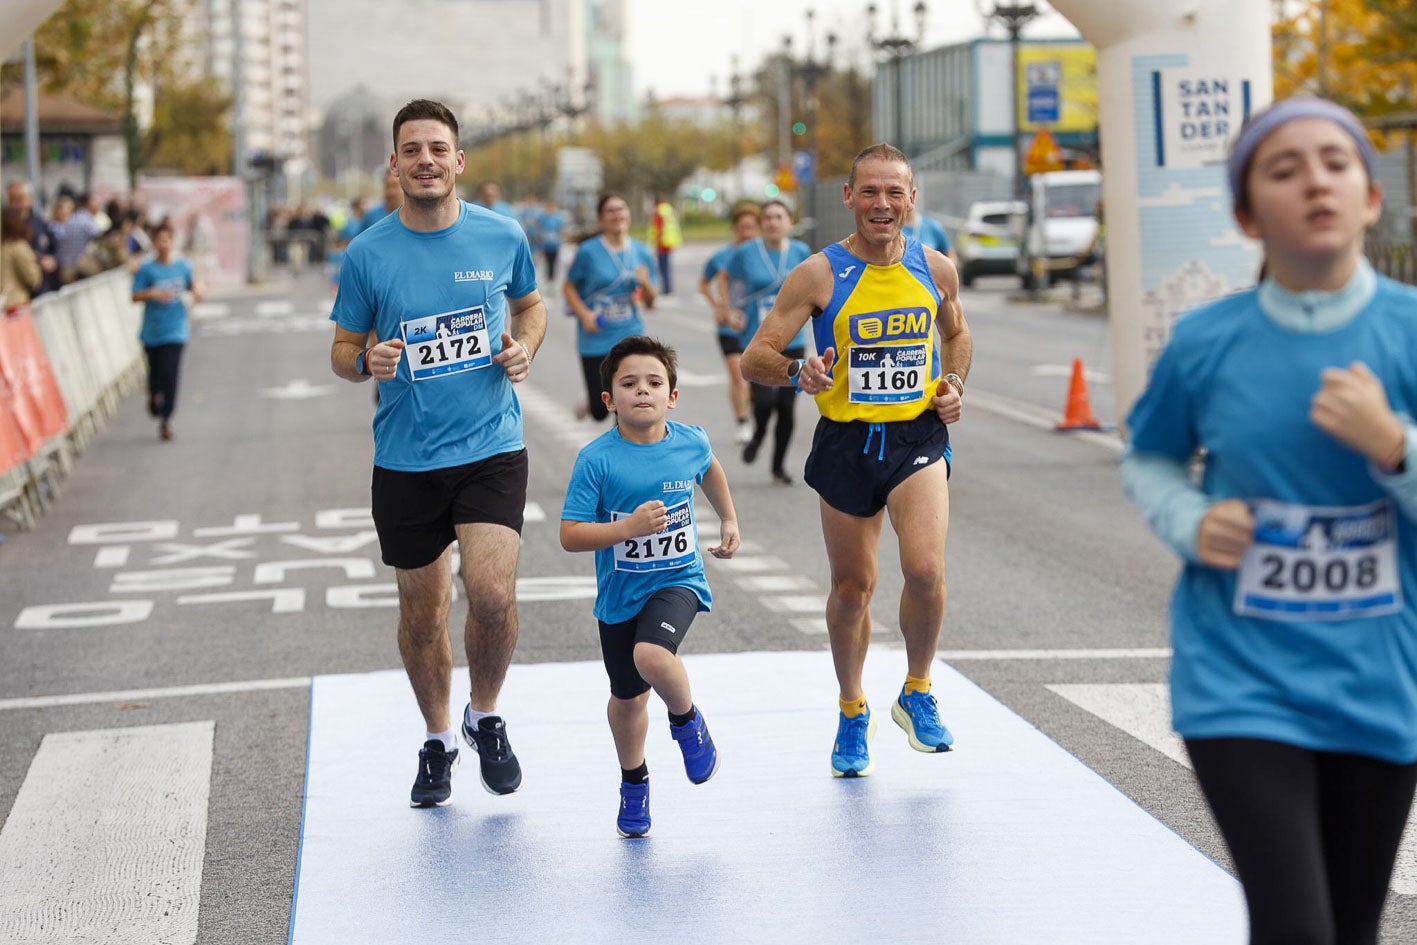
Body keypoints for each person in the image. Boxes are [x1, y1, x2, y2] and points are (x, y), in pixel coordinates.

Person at [1121, 96, 1417, 945]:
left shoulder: (1406, 330)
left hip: (1381, 675)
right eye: (1284, 170)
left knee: (1351, 927)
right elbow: (1147, 455)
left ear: (1368, 195)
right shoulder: (1207, 340)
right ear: (1248, 215)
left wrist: (1392, 445)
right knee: (1295, 926)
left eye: (1335, 162)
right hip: (1239, 679)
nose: (1314, 183)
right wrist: (1190, 517)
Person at [328, 99, 548, 808]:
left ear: (459, 161)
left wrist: (523, 349)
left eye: (438, 148)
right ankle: (436, 737)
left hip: (490, 446)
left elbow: (532, 305)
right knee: (422, 613)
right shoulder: (367, 252)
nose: (425, 159)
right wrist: (369, 359)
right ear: (394, 165)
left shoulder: (501, 234)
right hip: (405, 457)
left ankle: (485, 715)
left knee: (489, 594)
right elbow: (339, 351)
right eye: (411, 149)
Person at [742, 143, 972, 778]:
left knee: (924, 569)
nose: (882, 205)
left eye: (894, 193)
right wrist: (798, 370)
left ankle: (918, 690)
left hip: (915, 438)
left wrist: (953, 385)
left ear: (911, 200)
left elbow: (956, 332)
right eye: (869, 192)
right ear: (848, 198)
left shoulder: (935, 268)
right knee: (853, 588)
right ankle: (852, 708)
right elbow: (755, 356)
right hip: (847, 443)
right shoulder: (819, 274)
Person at [560, 335, 741, 838]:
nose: (643, 391)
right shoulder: (597, 460)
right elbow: (571, 535)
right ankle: (634, 782)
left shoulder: (691, 441)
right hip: (620, 596)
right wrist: (625, 529)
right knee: (628, 699)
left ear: (673, 396)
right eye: (629, 383)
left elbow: (710, 469)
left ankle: (687, 725)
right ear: (608, 400)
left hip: (678, 580)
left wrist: (728, 518)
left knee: (653, 657)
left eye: (655, 383)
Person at [719, 200, 811, 484]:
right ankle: (758, 435)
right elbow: (724, 278)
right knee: (765, 400)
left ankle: (778, 467)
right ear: (761, 223)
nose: (773, 222)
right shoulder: (746, 252)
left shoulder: (801, 252)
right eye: (767, 217)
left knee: (786, 407)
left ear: (789, 222)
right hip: (758, 340)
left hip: (793, 337)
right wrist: (728, 309)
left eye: (778, 217)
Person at [563, 192, 658, 422]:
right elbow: (568, 287)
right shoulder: (588, 251)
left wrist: (645, 283)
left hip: (630, 334)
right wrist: (585, 315)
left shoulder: (642, 251)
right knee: (599, 411)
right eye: (611, 211)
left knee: (626, 407)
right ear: (601, 218)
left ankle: (624, 453)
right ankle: (592, 396)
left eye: (621, 209)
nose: (617, 215)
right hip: (595, 336)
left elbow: (651, 301)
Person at [132, 222, 204, 441]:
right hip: (153, 331)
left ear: (173, 242)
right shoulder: (147, 270)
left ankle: (166, 420)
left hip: (176, 329)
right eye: (159, 241)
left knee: (171, 374)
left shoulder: (183, 267)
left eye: (167, 240)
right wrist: (151, 293)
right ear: (154, 243)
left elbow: (193, 286)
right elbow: (134, 296)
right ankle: (154, 395)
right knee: (156, 373)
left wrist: (199, 290)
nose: (163, 245)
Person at [699, 203, 760, 445]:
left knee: (755, 377)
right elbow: (704, 284)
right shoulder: (722, 256)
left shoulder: (764, 256)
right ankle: (743, 421)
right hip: (729, 326)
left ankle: (753, 408)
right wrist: (720, 308)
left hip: (756, 324)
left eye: (752, 228)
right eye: (743, 227)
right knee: (738, 374)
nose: (747, 232)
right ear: (735, 228)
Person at [5, 181, 59, 296]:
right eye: (12, 200)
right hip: (18, 290)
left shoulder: (40, 223)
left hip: (44, 286)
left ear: (30, 199)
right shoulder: (5, 228)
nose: (16, 205)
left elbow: (54, 247)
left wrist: (52, 259)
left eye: (20, 199)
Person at [1, 206, 43, 310]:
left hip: (4, 304)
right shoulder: (19, 247)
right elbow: (33, 280)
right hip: (18, 304)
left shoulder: (4, 247)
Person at [649, 194, 682, 294]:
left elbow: (659, 229)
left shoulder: (659, 211)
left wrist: (656, 245)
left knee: (663, 267)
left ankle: (666, 288)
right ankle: (668, 287)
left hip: (662, 243)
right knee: (666, 266)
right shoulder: (668, 209)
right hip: (669, 242)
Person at [537, 198, 567, 282]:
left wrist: (561, 241)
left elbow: (561, 231)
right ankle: (546, 279)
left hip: (555, 245)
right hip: (545, 245)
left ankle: (552, 279)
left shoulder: (558, 218)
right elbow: (539, 230)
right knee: (546, 263)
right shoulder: (542, 217)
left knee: (553, 264)